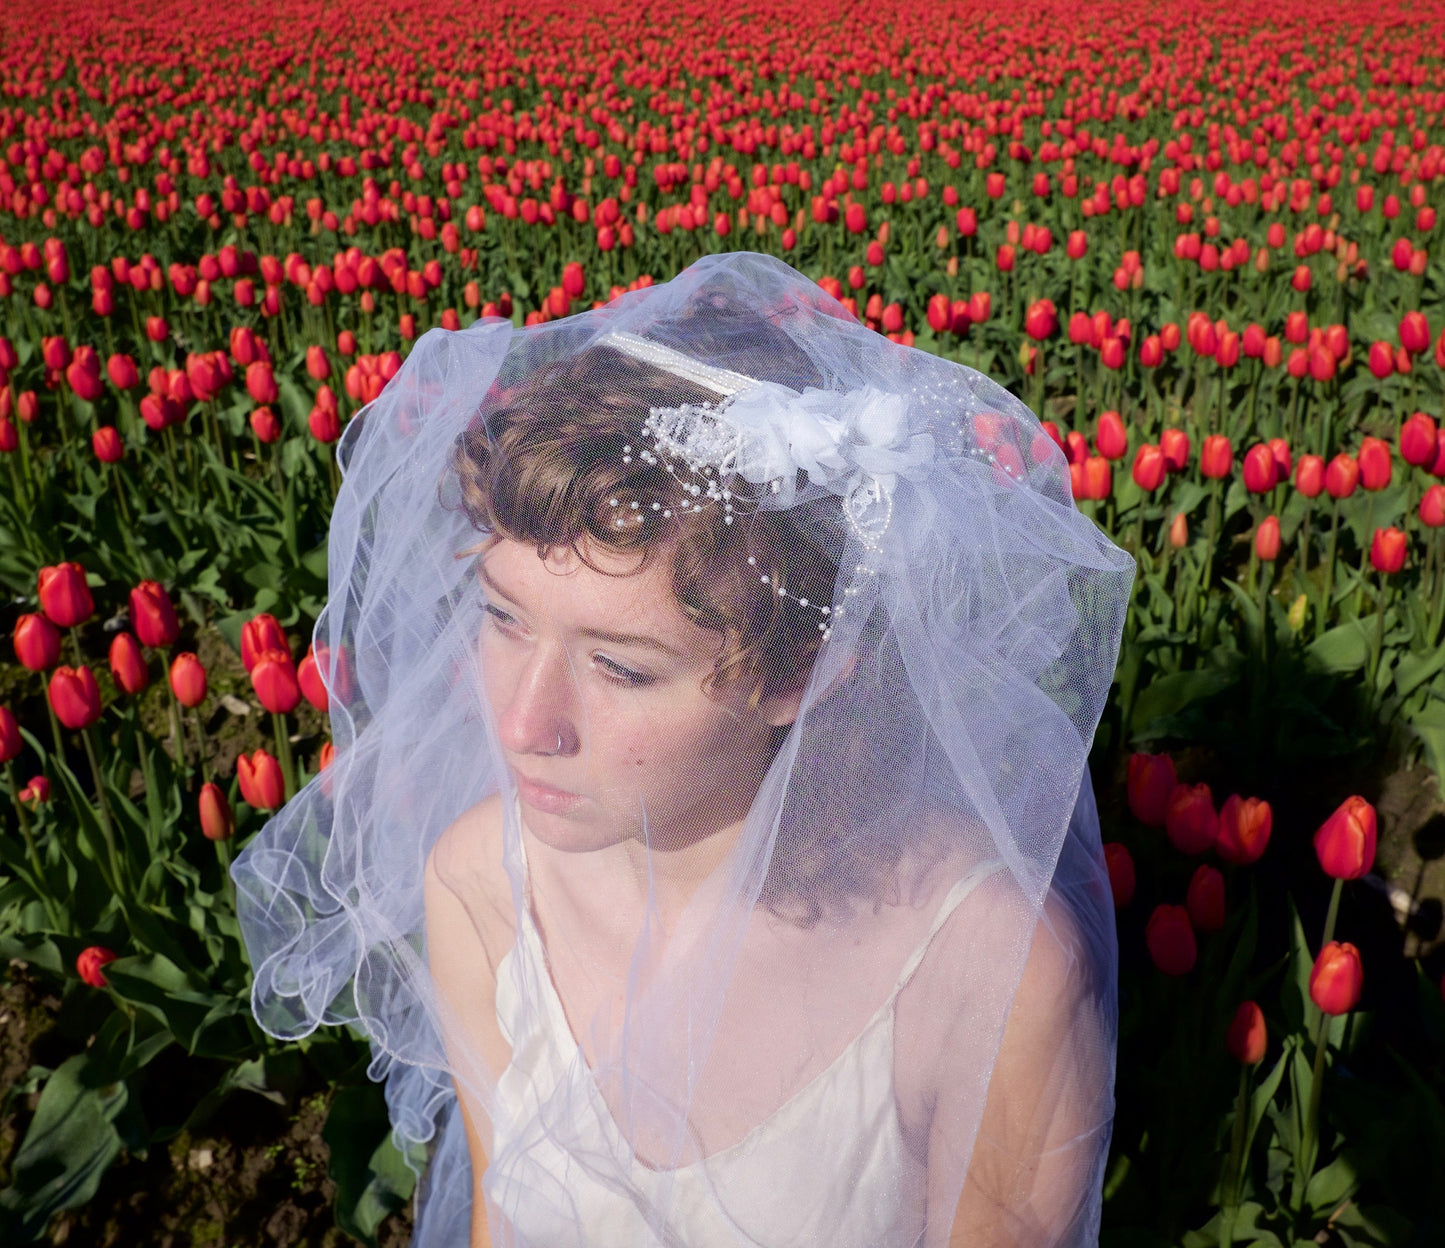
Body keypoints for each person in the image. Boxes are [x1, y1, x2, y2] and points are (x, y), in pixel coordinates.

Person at [233, 252, 1135, 1247]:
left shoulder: (986, 977)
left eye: (620, 668)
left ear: (805, 673)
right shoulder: (483, 886)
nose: (523, 724)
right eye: (502, 617)